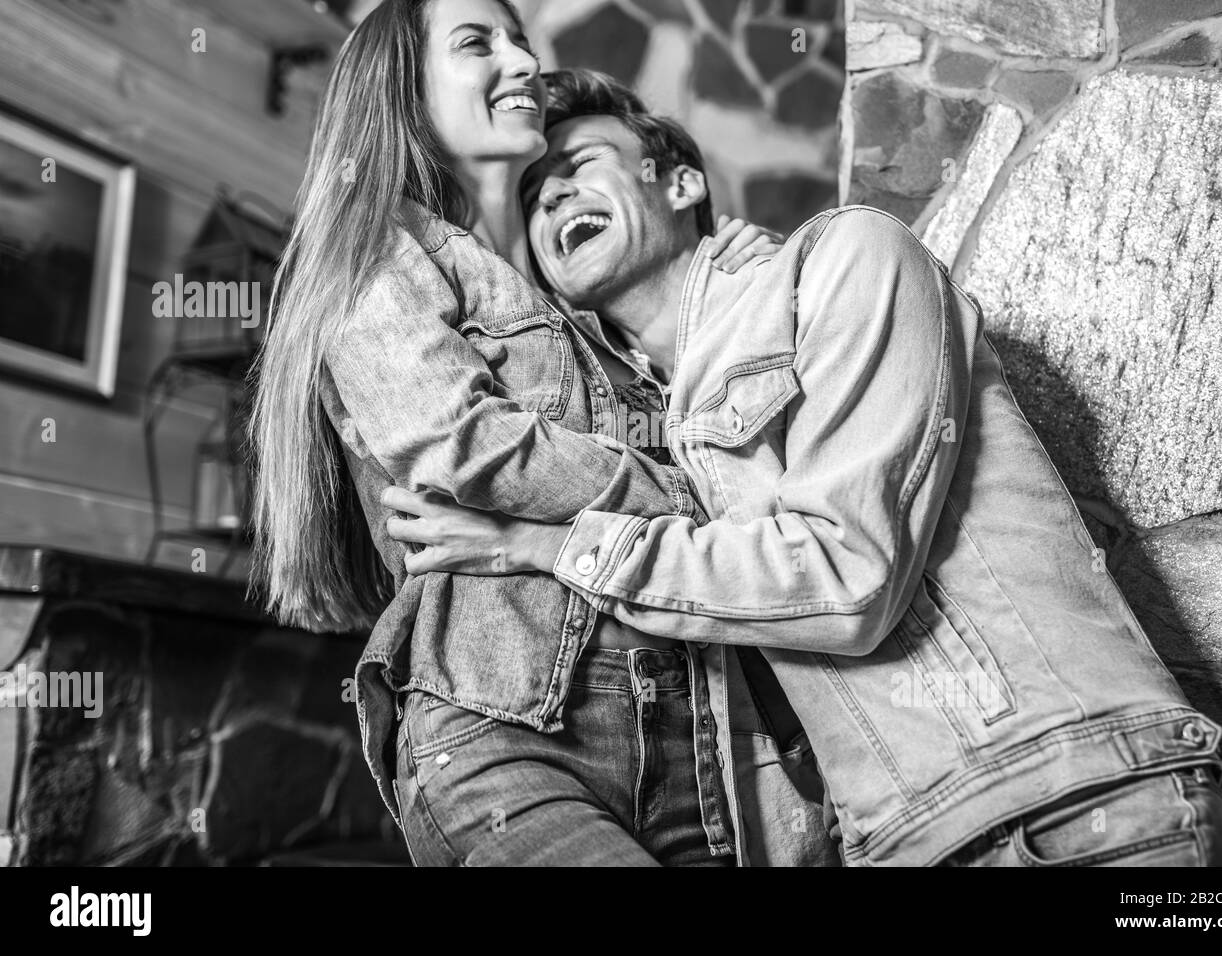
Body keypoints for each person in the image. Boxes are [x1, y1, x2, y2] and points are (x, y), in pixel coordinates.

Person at [384, 68, 1222, 867]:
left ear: (679, 181)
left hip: (1074, 807)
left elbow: (845, 579)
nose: (555, 195)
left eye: (581, 162)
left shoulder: (846, 261)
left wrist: (540, 544)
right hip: (904, 842)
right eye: (534, 196)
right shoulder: (658, 437)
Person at [249, 0, 838, 866]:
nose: (521, 61)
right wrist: (692, 494)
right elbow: (464, 444)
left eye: (520, 40)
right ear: (402, 87)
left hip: (690, 746)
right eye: (477, 43)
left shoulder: (579, 304)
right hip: (506, 735)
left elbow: (737, 446)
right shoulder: (382, 247)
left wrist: (728, 275)